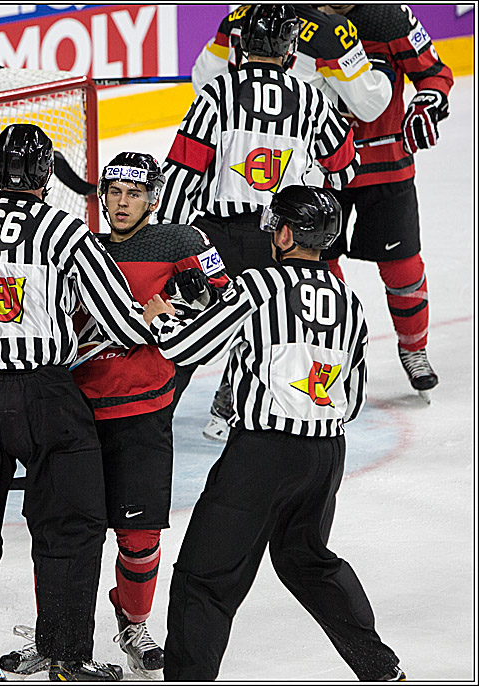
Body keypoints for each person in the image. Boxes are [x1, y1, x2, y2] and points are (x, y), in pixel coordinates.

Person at [143, 185, 404, 681]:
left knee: (206, 576)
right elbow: (353, 395)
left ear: (284, 233)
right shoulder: (349, 300)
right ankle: (378, 666)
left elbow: (189, 347)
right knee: (307, 561)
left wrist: (161, 319)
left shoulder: (259, 285)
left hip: (261, 457)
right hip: (325, 456)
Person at [0, 124, 158, 682]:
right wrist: (151, 315)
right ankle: (65, 655)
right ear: (44, 175)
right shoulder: (64, 230)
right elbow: (121, 323)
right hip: (47, 396)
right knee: (72, 524)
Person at [0, 152, 230, 678]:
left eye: (134, 194)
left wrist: (184, 306)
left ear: (153, 196)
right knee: (61, 533)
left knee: (141, 535)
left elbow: (225, 307)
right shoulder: (75, 245)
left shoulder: (183, 243)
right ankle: (55, 637)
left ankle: (135, 623)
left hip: (144, 414)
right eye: (114, 193)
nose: (123, 204)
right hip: (73, 414)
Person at [157, 4, 359, 442]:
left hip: (216, 241)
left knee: (191, 332)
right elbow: (344, 167)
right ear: (290, 53)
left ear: (241, 46)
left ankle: (149, 422)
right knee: (272, 327)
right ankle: (235, 408)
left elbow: (179, 175)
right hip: (281, 241)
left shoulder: (217, 94)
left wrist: (170, 244)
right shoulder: (310, 97)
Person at [315, 4, 452, 402]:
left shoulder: (390, 18)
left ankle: (414, 350)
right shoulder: (299, 18)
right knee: (317, 268)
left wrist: (428, 102)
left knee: (403, 267)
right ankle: (330, 354)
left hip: (386, 163)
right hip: (319, 167)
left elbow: (434, 73)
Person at [191, 4, 392, 123]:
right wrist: (381, 70)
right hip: (300, 159)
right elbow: (369, 105)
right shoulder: (330, 32)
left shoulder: (237, 18)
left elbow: (203, 81)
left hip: (237, 148)